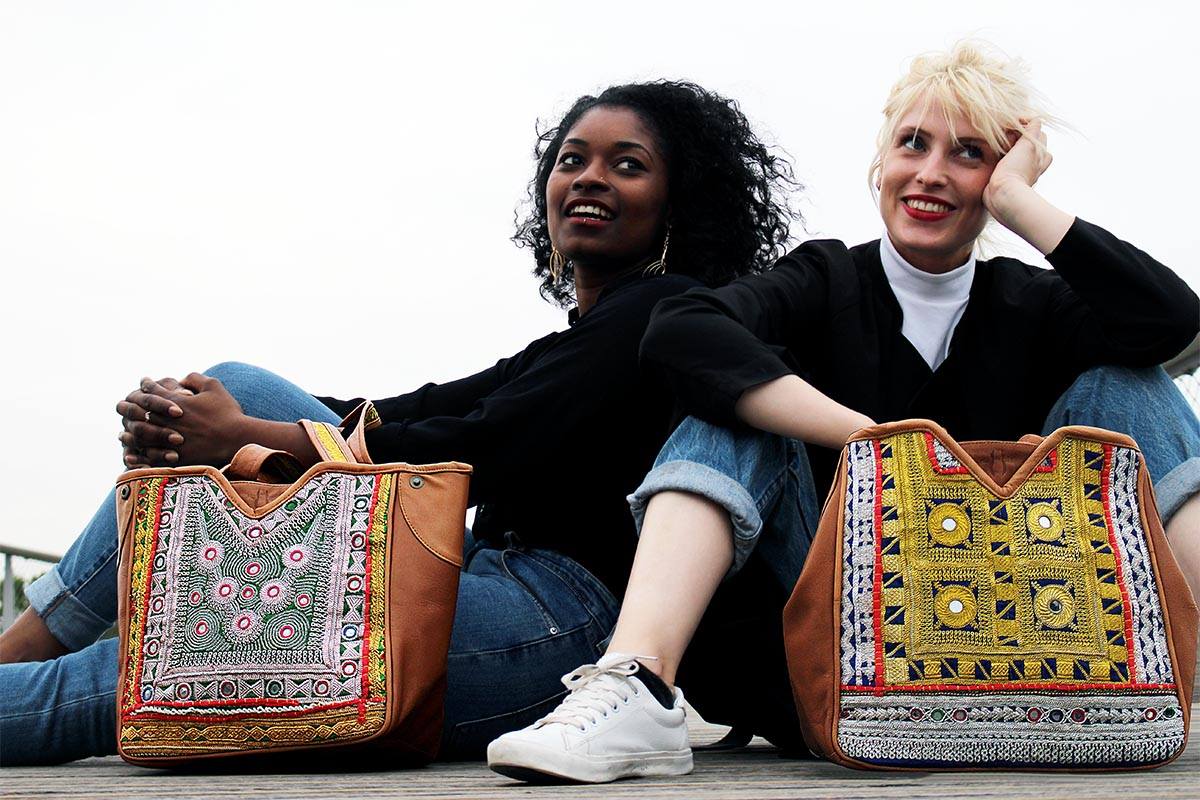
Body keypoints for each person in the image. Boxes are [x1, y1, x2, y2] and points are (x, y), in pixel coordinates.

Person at [0, 81, 798, 765]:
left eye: (627, 165)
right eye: (572, 160)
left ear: (678, 202)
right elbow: (422, 409)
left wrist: (248, 440)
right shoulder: (574, 340)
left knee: (166, 666)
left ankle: (31, 666)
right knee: (239, 384)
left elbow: (482, 447)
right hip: (484, 571)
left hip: (564, 626)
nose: (590, 177)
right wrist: (216, 421)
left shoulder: (664, 317)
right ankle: (31, 638)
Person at [488, 41, 1200, 783]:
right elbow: (680, 332)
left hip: (1032, 640)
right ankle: (639, 684)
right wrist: (875, 442)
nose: (930, 173)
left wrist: (1021, 205)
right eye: (912, 143)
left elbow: (1172, 325)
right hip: (831, 648)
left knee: (1134, 384)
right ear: (881, 160)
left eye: (969, 154)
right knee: (736, 403)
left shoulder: (1035, 304)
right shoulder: (825, 277)